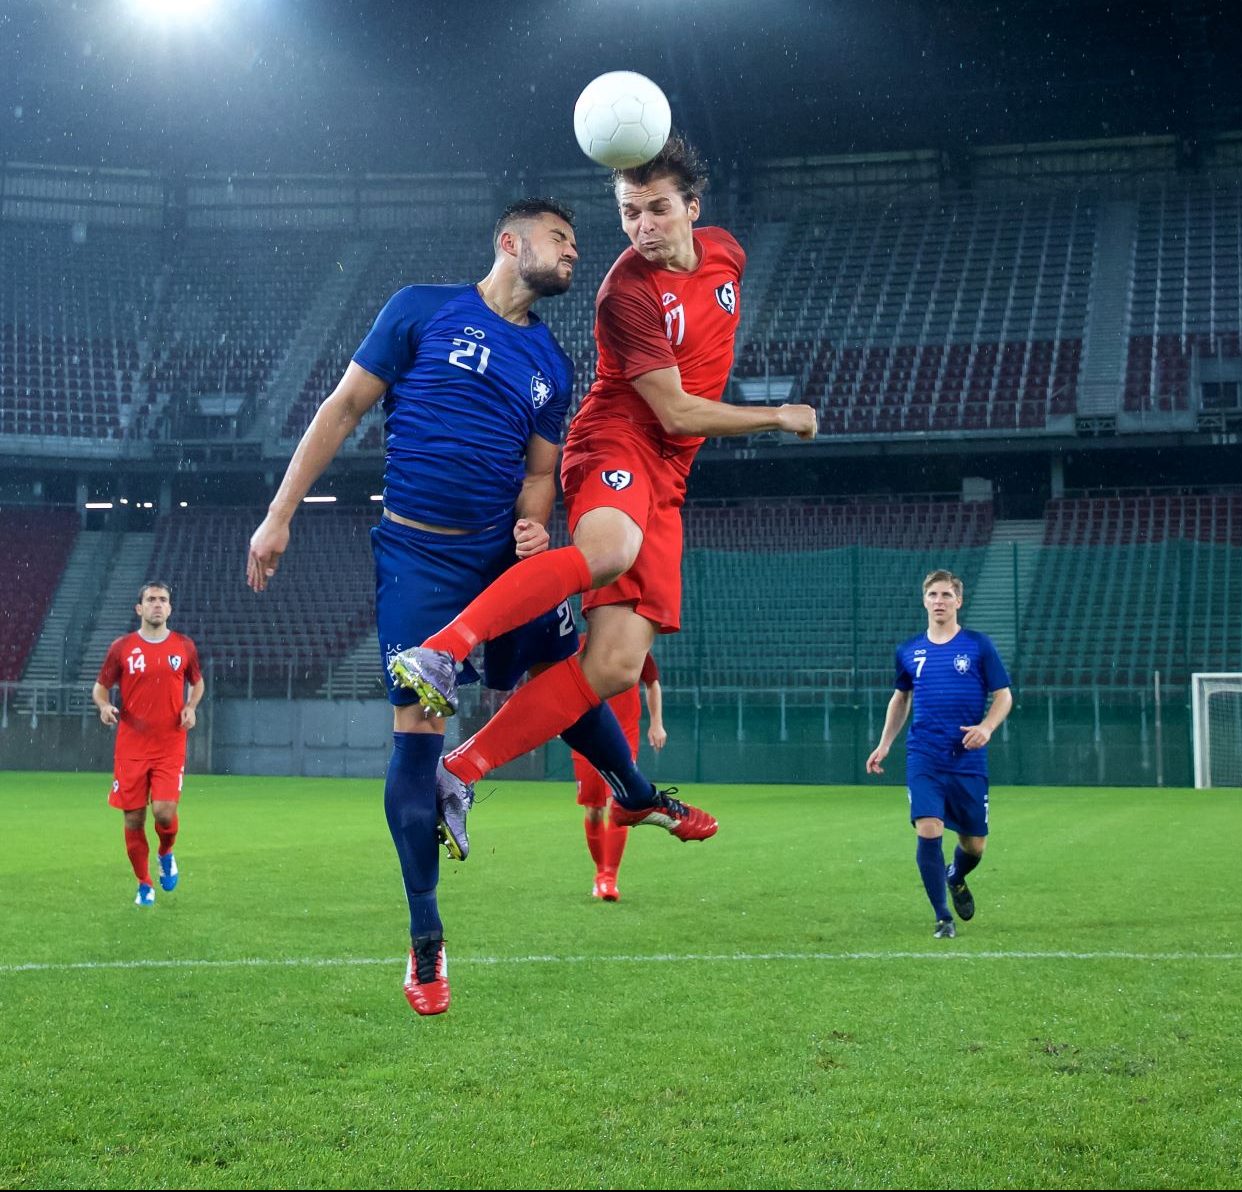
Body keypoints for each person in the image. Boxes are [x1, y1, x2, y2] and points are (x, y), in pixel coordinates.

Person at [246, 198, 679, 1017]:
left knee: (564, 673)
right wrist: (278, 514)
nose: (575, 253)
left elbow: (543, 474)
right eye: (563, 240)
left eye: (579, 245)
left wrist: (534, 521)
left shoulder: (551, 362)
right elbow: (342, 409)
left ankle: (632, 786)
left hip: (494, 561)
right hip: (415, 558)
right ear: (510, 243)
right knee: (417, 737)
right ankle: (425, 941)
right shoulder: (419, 309)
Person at [387, 133, 817, 850]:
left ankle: (460, 770)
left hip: (672, 476)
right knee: (609, 548)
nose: (642, 227)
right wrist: (777, 414)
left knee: (615, 665)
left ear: (692, 208)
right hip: (618, 436)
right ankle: (445, 646)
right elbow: (674, 411)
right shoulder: (626, 293)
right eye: (627, 213)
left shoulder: (728, 255)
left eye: (655, 210)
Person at [866, 570, 1013, 938]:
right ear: (924, 600)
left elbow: (1004, 695)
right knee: (928, 828)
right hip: (925, 754)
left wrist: (986, 728)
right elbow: (901, 699)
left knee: (974, 844)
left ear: (958, 601)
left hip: (967, 758)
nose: (939, 601)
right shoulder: (908, 651)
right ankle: (942, 917)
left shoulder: (979, 646)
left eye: (946, 594)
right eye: (933, 594)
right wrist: (885, 744)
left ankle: (956, 875)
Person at [92, 582, 204, 908]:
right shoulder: (122, 648)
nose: (157, 604)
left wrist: (191, 707)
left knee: (165, 813)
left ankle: (166, 853)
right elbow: (100, 688)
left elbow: (197, 683)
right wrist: (103, 706)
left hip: (170, 743)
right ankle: (144, 883)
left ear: (170, 608)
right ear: (139, 608)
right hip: (131, 746)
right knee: (133, 820)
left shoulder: (184, 646)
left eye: (163, 600)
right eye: (151, 599)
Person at [574, 647, 665, 901]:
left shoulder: (637, 645)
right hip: (585, 733)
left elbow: (652, 684)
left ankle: (609, 879)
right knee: (593, 811)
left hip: (624, 734)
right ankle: (600, 872)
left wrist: (656, 723)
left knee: (619, 803)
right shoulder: (581, 645)